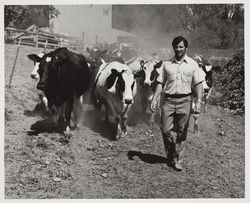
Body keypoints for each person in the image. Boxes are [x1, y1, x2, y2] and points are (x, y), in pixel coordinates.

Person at [151, 36, 203, 171]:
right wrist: (155, 98)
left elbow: (198, 84)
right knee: (166, 129)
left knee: (181, 132)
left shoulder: (193, 64)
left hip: (185, 100)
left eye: (181, 47)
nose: (178, 49)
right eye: (176, 47)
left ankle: (178, 160)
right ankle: (172, 152)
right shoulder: (166, 64)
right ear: (173, 47)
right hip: (168, 100)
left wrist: (198, 101)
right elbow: (160, 83)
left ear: (186, 48)